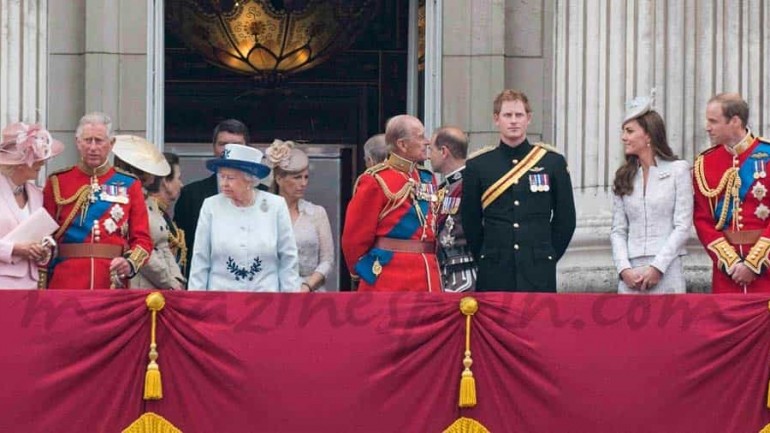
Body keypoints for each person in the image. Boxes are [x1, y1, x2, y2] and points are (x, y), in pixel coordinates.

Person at [461, 89, 576, 292]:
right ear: (496, 119)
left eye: (519, 115)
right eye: (507, 115)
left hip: (538, 268)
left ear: (528, 119)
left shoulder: (552, 162)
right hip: (495, 269)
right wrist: (486, 255)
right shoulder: (478, 165)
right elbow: (470, 221)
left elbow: (565, 219)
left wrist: (546, 255)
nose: (513, 121)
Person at [42, 112, 153, 290]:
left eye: (99, 140)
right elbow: (44, 235)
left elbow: (142, 239)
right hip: (66, 282)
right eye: (87, 140)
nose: (93, 147)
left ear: (111, 144)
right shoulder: (58, 181)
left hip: (111, 280)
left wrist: (130, 263)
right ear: (78, 143)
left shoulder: (129, 184)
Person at [342, 114, 442, 292]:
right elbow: (355, 238)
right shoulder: (376, 180)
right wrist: (364, 272)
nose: (427, 142)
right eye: (420, 137)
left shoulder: (427, 177)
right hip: (389, 277)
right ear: (402, 144)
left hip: (428, 273)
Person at [188, 144, 301, 292]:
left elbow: (288, 259)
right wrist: (198, 304)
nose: (224, 183)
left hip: (265, 301)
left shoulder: (276, 205)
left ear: (250, 178)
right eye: (221, 176)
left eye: (231, 178)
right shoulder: (211, 206)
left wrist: (290, 304)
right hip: (221, 302)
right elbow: (200, 260)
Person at [610, 94, 693, 294]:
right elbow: (618, 230)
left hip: (667, 270)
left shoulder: (678, 170)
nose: (624, 137)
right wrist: (624, 269)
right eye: (624, 132)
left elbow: (682, 226)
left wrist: (657, 267)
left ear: (648, 135)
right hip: (631, 276)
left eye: (629, 131)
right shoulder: (624, 176)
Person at [693, 93, 770, 293]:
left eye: (713, 121)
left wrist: (754, 263)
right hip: (728, 274)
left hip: (765, 272)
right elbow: (702, 219)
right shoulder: (705, 163)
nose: (707, 127)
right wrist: (731, 263)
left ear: (735, 121)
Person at [174, 119, 250, 283]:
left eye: (236, 145)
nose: (229, 150)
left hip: (252, 288)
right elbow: (182, 248)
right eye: (223, 144)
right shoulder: (191, 194)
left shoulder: (265, 196)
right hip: (206, 287)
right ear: (213, 148)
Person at [112, 136, 186, 290]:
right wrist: (170, 282)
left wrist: (177, 280)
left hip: (162, 288)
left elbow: (163, 245)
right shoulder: (124, 201)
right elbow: (143, 252)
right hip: (140, 286)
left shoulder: (150, 202)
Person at [0, 123, 63, 289]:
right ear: (19, 164)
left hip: (31, 284)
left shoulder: (37, 193)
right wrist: (13, 249)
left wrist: (43, 249)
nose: (42, 163)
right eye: (37, 159)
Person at [266, 139, 334, 292]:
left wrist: (307, 286)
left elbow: (327, 261)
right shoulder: (265, 213)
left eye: (306, 177)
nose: (303, 183)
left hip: (310, 294)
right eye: (297, 178)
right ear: (279, 179)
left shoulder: (317, 213)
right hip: (272, 292)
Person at [428, 126, 477, 292]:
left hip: (466, 270)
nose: (428, 156)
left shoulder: (472, 183)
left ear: (444, 151)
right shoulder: (445, 187)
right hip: (444, 270)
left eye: (431, 150)